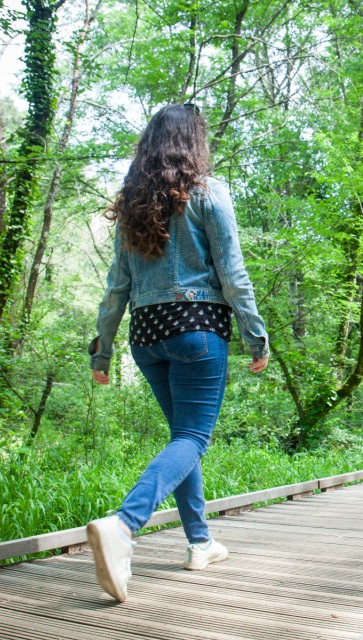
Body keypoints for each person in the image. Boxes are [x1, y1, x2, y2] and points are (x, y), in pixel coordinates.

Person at [85, 103, 269, 603]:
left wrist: (102, 353)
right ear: (194, 142)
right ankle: (124, 524)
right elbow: (232, 273)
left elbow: (116, 287)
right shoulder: (208, 192)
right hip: (198, 330)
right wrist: (255, 335)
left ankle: (200, 542)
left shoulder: (133, 204)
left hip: (147, 335)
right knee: (192, 436)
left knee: (182, 438)